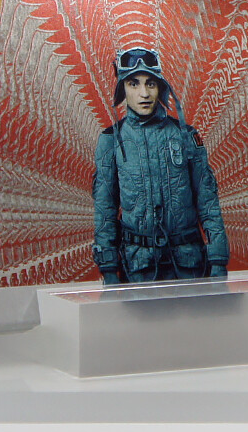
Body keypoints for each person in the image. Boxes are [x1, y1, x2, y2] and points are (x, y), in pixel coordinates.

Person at [92, 47, 229, 284]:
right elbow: (105, 209)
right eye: (134, 84)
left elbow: (207, 200)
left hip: (189, 265)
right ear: (122, 89)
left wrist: (218, 260)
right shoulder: (110, 141)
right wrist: (108, 267)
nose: (144, 93)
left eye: (151, 84)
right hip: (138, 267)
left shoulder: (186, 136)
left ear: (161, 88)